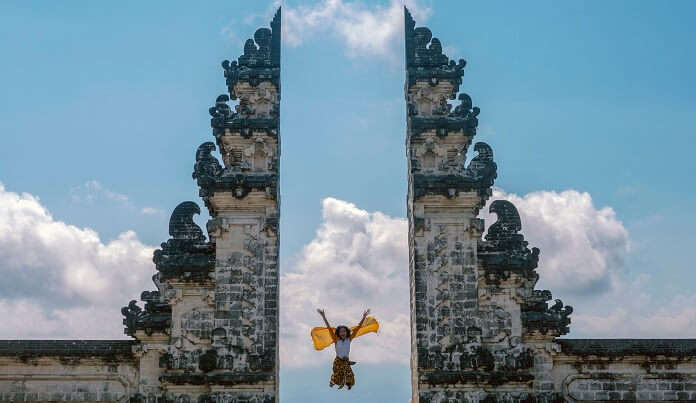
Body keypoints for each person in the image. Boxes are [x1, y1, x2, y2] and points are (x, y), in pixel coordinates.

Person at [316, 308, 372, 390]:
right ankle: (335, 381)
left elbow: (358, 328)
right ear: (338, 333)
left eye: (344, 331)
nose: (342, 333)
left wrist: (364, 317)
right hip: (338, 361)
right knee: (338, 376)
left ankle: (349, 384)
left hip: (345, 361)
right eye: (341, 332)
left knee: (350, 374)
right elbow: (329, 328)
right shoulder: (336, 340)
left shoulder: (349, 339)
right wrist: (323, 316)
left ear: (347, 333)